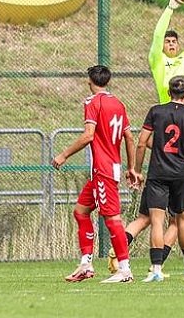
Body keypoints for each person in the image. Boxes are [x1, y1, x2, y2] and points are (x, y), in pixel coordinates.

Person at [107, 0, 184, 275]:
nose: (171, 44)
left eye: (174, 41)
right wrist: (171, 7)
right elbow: (156, 36)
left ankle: (128, 251)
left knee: (157, 216)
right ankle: (161, 265)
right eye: (168, 41)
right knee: (178, 218)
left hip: (179, 142)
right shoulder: (157, 61)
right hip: (178, 149)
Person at [52, 65, 137, 284]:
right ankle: (85, 264)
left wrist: (64, 155)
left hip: (103, 168)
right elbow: (129, 137)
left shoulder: (92, 102)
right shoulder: (118, 103)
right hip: (111, 168)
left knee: (112, 218)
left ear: (90, 80)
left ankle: (125, 269)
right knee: (80, 212)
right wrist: (131, 167)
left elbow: (88, 135)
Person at [133, 75, 184, 282]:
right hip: (180, 174)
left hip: (157, 174)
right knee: (182, 222)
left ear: (169, 92)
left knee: (156, 221)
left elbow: (142, 142)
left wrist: (136, 169)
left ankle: (156, 270)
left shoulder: (155, 111)